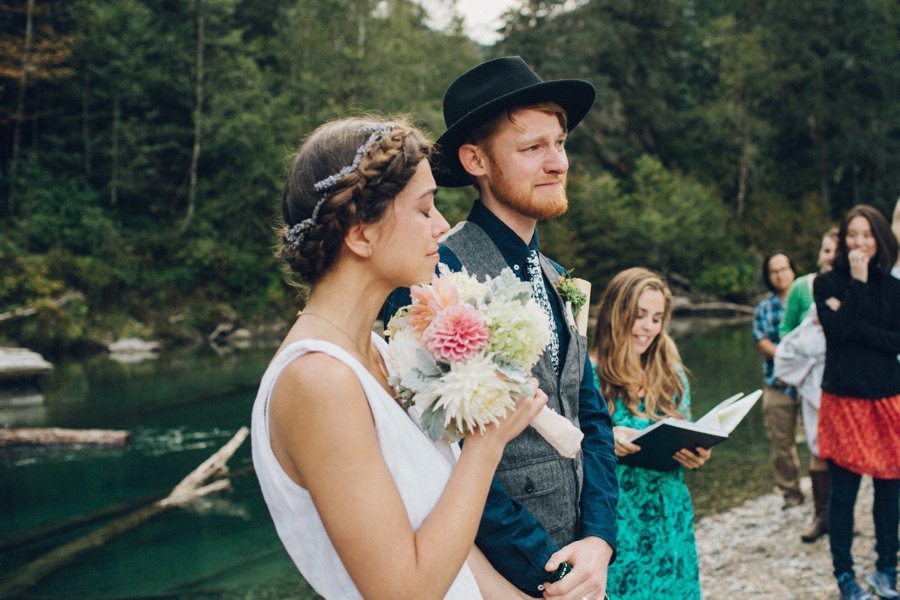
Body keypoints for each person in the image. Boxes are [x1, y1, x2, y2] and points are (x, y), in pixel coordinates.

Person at [250, 117, 548, 599]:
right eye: (425, 208)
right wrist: (486, 446)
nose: (442, 226)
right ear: (361, 234)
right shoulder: (317, 380)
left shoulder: (384, 354)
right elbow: (401, 592)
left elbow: (451, 547)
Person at [382, 56, 618, 599]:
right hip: (498, 575)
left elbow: (591, 418)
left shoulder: (561, 279)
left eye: (559, 143)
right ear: (475, 160)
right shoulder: (434, 274)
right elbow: (438, 455)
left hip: (585, 565)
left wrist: (599, 540)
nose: (557, 162)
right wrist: (550, 568)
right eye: (533, 148)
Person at [590, 268, 709, 600]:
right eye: (640, 315)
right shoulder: (587, 375)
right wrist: (603, 441)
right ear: (617, 312)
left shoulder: (670, 374)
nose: (648, 327)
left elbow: (685, 430)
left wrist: (697, 454)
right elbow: (565, 447)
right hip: (617, 522)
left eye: (657, 319)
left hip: (670, 514)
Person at [813, 204, 900, 600]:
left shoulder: (896, 288)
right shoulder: (826, 283)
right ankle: (845, 576)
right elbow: (837, 334)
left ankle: (886, 569)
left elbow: (893, 342)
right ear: (843, 239)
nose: (859, 242)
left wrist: (853, 321)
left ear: (880, 238)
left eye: (866, 235)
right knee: (843, 494)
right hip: (844, 401)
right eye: (852, 234)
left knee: (888, 491)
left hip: (887, 400)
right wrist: (859, 284)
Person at [776, 227, 838, 543]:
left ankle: (842, 514)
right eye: (826, 250)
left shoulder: (855, 286)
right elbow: (787, 332)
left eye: (835, 251)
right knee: (817, 446)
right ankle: (821, 514)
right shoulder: (803, 287)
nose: (830, 257)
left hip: (843, 381)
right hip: (812, 381)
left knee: (843, 450)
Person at [752, 251, 802, 508]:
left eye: (784, 269)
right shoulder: (764, 307)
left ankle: (826, 495)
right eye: (774, 271)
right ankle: (791, 492)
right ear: (768, 276)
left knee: (821, 441)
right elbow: (762, 342)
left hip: (810, 382)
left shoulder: (808, 300)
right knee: (781, 443)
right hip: (777, 382)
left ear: (793, 270)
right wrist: (787, 356)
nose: (780, 275)